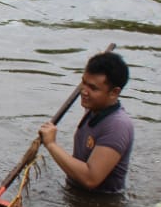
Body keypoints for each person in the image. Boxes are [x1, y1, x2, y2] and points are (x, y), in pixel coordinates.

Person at [38, 50, 134, 193]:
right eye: (84, 83)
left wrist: (51, 144)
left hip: (101, 203)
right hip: (75, 192)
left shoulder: (117, 125)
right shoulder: (94, 108)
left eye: (93, 88)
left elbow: (90, 179)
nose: (84, 91)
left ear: (114, 92)